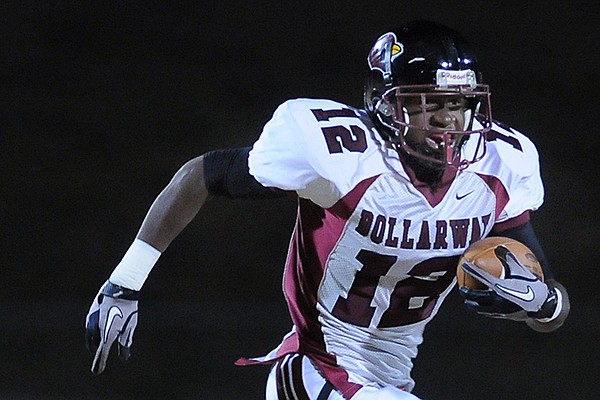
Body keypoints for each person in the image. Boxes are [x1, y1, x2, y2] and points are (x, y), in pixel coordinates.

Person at [85, 20, 570, 400]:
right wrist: (124, 282)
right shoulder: (342, 155)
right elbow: (203, 175)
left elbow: (547, 299)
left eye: (457, 103)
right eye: (426, 104)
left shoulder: (501, 166)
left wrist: (541, 302)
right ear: (386, 105)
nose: (446, 119)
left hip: (391, 377)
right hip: (317, 367)